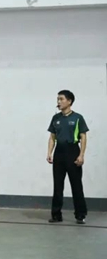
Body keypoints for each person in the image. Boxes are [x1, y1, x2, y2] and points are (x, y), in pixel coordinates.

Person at [47, 89, 89, 224]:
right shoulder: (56, 118)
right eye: (58, 99)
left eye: (61, 99)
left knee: (76, 185)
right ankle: (56, 215)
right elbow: (52, 137)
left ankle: (80, 214)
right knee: (58, 185)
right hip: (59, 153)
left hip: (73, 152)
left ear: (69, 101)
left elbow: (83, 137)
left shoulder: (77, 118)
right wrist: (49, 153)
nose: (58, 102)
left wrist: (81, 155)